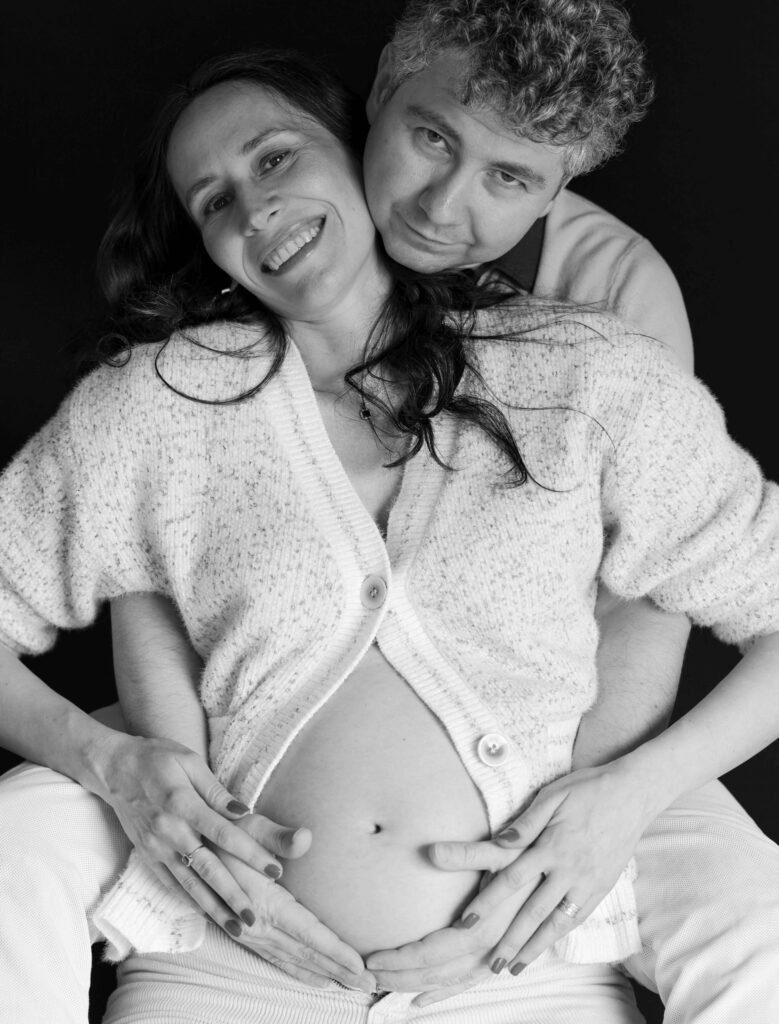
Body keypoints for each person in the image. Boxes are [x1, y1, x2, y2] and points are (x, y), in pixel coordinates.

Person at [0, 34, 779, 1024]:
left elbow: (714, 609)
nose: (255, 206)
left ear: (351, 145)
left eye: (275, 156)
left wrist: (624, 791)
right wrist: (113, 758)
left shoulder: (585, 370)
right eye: (213, 200)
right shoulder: (157, 402)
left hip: (519, 971)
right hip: (225, 969)